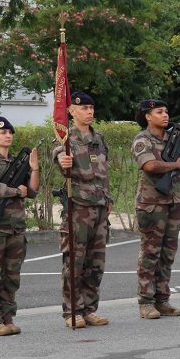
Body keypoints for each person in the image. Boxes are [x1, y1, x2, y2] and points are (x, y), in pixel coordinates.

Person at [0, 116, 39, 336]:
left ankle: (8, 317)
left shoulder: (17, 164)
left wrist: (35, 168)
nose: (7, 136)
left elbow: (32, 191)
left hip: (15, 229)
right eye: (2, 132)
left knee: (12, 277)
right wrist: (14, 191)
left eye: (10, 132)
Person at [54, 92, 112, 328]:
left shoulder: (99, 138)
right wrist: (62, 160)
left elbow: (104, 171)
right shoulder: (65, 137)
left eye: (91, 108)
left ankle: (89, 308)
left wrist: (108, 200)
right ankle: (72, 311)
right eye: (84, 108)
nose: (89, 112)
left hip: (99, 206)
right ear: (72, 111)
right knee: (75, 262)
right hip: (78, 208)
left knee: (96, 262)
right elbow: (57, 154)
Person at [131, 98, 180, 320]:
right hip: (152, 206)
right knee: (150, 254)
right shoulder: (142, 139)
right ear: (148, 116)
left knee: (167, 255)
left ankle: (162, 300)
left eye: (166, 111)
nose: (165, 115)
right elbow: (149, 165)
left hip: (174, 203)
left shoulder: (172, 139)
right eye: (159, 112)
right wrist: (174, 164)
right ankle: (145, 302)